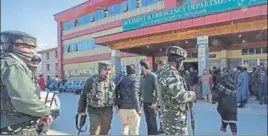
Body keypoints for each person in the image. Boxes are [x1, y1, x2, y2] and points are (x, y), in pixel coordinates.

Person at [0, 30, 52, 135]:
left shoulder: (6, 63)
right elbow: (24, 101)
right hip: (16, 125)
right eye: (27, 47)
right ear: (11, 45)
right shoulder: (13, 65)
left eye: (33, 48)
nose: (31, 52)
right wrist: (45, 113)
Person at [157, 46, 196, 135]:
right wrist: (192, 94)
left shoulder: (163, 72)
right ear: (178, 61)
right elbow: (181, 96)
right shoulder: (172, 73)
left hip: (166, 116)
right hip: (175, 118)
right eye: (182, 61)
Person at [77, 62, 116, 135]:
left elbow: (116, 95)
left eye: (109, 70)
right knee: (95, 130)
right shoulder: (91, 80)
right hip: (94, 110)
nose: (108, 72)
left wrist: (118, 106)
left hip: (107, 110)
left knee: (105, 130)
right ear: (100, 70)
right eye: (106, 70)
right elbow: (83, 96)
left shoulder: (111, 82)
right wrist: (80, 111)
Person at [115, 64, 142, 135]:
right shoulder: (135, 79)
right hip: (132, 108)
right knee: (134, 130)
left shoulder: (121, 80)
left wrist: (117, 104)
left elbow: (115, 92)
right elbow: (135, 95)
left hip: (122, 109)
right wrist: (138, 110)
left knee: (125, 126)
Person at [214, 67, 237, 136]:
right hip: (233, 104)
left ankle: (227, 129)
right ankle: (231, 131)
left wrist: (214, 100)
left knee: (225, 116)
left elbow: (217, 94)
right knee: (232, 117)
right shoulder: (233, 86)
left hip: (224, 104)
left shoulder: (221, 84)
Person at [139, 59, 158, 135]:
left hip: (151, 103)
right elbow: (141, 90)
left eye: (140, 66)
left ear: (143, 67)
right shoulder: (142, 77)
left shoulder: (153, 76)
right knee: (148, 120)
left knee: (152, 121)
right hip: (145, 102)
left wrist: (155, 102)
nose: (140, 67)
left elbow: (157, 90)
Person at [155, 60, 165, 134]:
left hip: (166, 98)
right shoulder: (156, 74)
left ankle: (167, 128)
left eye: (161, 65)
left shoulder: (167, 74)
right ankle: (162, 127)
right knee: (160, 114)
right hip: (158, 98)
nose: (159, 66)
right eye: (159, 65)